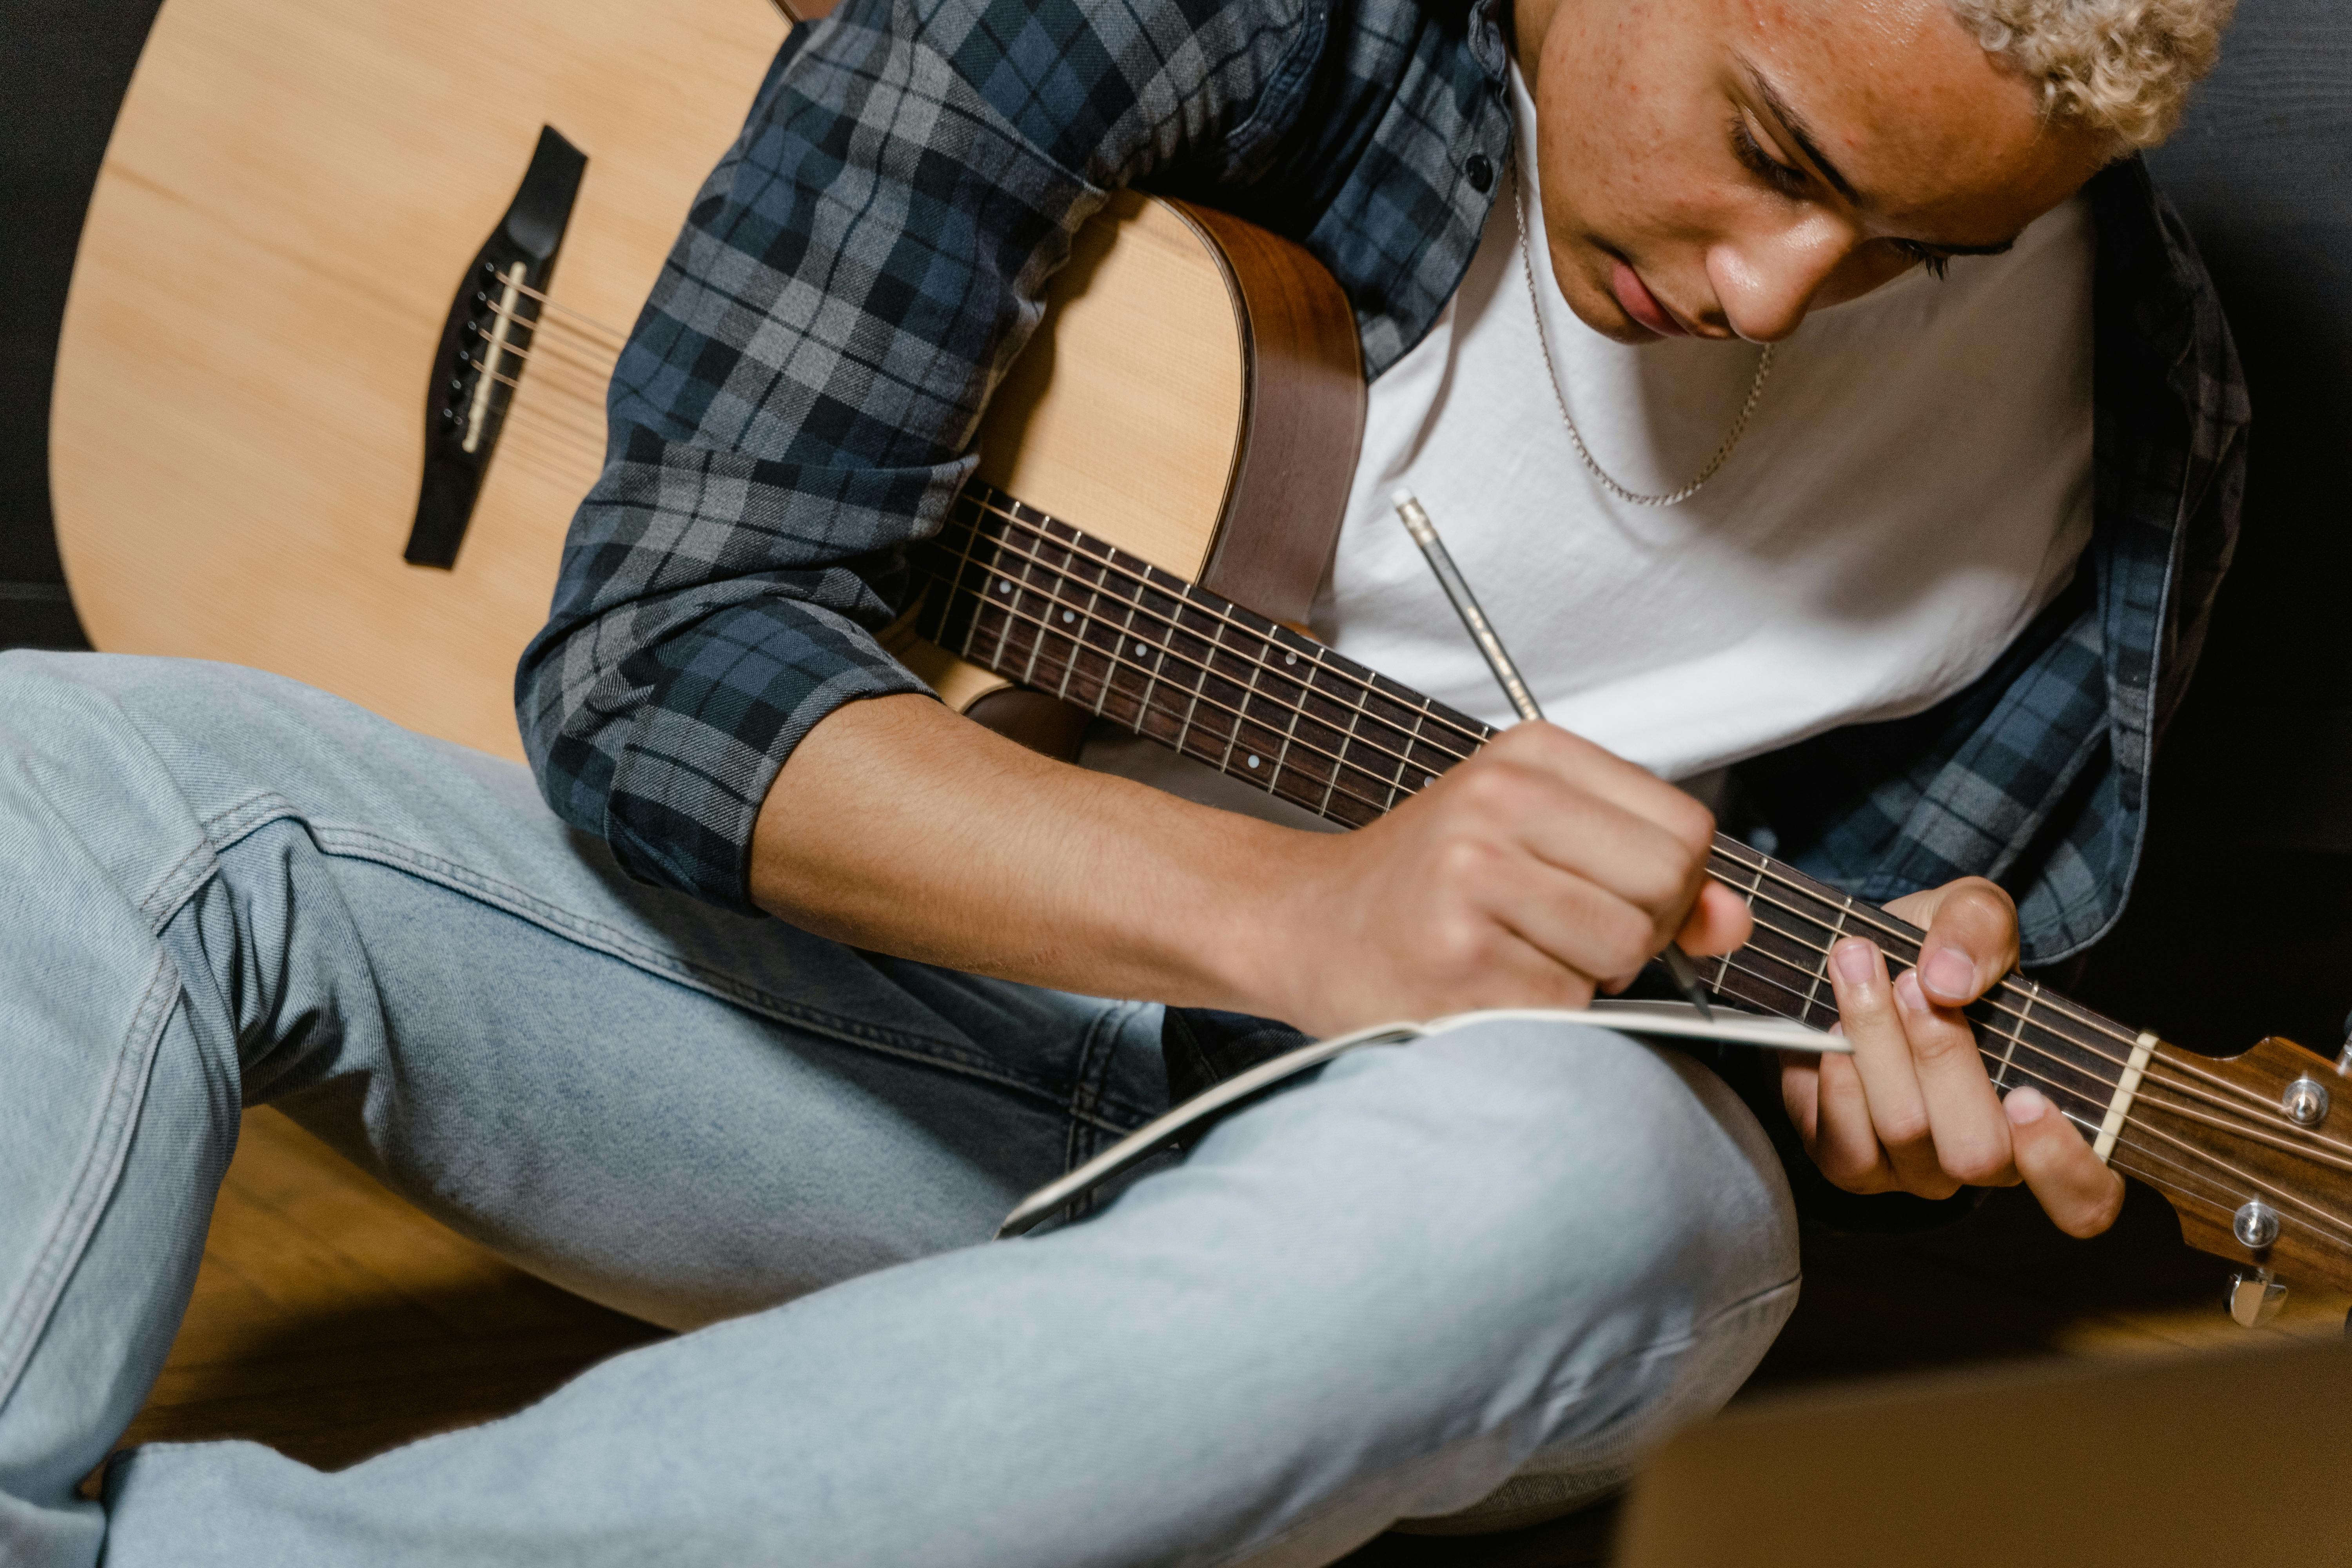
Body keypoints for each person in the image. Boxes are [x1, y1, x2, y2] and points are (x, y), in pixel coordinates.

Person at [0, 0, 2243, 1561]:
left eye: (1919, 253)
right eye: (1773, 152)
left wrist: (1884, 1095)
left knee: (1604, 1185)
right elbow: (665, 662)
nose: (1778, 294)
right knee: (63, 772)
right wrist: (1293, 917)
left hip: (1392, 1220)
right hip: (831, 1012)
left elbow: (1790, 1004)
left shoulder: (2121, 417)